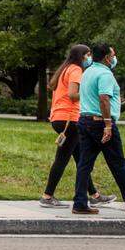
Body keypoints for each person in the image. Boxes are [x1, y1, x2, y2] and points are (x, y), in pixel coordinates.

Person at [72, 43, 125, 215]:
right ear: (106, 57)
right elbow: (104, 99)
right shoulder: (105, 74)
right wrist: (108, 124)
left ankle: (80, 203)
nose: (114, 58)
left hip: (85, 121)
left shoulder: (88, 72)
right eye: (113, 55)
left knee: (84, 164)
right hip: (100, 123)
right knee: (118, 163)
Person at [40, 43, 113, 208]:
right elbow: (73, 95)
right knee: (62, 159)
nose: (90, 58)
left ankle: (94, 195)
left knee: (81, 159)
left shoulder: (65, 69)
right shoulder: (75, 70)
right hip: (69, 120)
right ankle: (47, 196)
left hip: (61, 118)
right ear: (82, 56)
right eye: (88, 55)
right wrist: (91, 93)